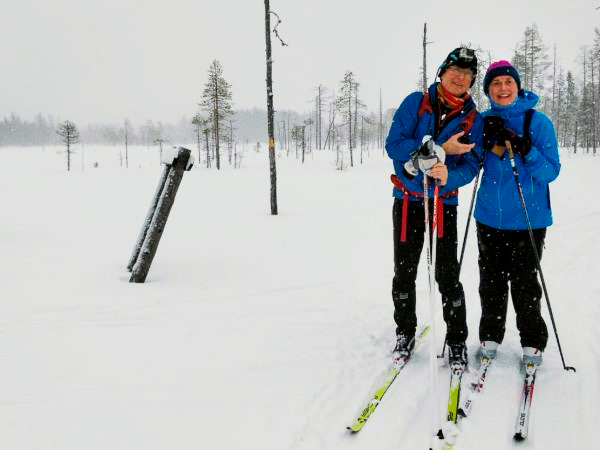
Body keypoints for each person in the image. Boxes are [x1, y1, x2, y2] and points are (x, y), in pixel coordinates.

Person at [385, 47, 483, 367]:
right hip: (408, 202)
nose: (460, 78)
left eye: (467, 75)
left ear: (470, 83)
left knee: (447, 275)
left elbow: (471, 164)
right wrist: (437, 149)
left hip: (444, 203)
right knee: (405, 272)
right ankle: (405, 331)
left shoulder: (472, 119)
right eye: (455, 71)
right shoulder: (416, 103)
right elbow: (394, 145)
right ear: (442, 72)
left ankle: (456, 339)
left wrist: (448, 174)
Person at [474, 60, 561, 366]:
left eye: (507, 82)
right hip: (488, 218)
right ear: (488, 91)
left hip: (528, 219)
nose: (502, 88)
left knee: (525, 284)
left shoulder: (539, 123)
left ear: (517, 86)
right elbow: (476, 161)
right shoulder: (482, 121)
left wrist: (527, 148)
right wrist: (485, 143)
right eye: (495, 84)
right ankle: (490, 335)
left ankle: (532, 341)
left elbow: (550, 172)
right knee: (491, 283)